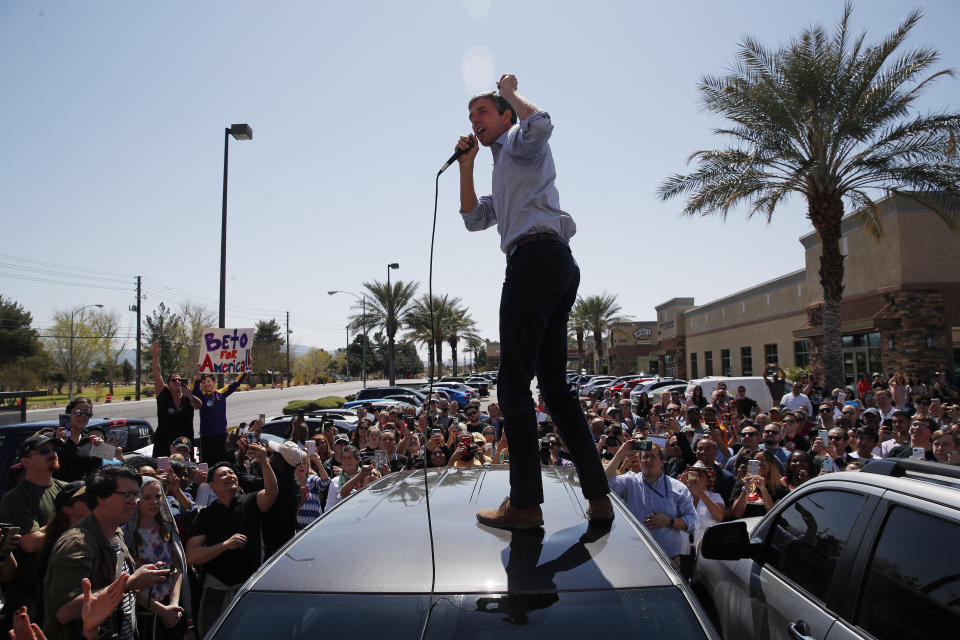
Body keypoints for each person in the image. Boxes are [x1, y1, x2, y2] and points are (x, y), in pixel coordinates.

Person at [456, 74, 611, 529]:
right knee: (556, 388)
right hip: (555, 264)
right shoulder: (500, 168)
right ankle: (599, 496)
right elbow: (473, 219)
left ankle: (525, 504)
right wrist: (465, 166)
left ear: (505, 116)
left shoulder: (522, 144)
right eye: (470, 116)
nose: (474, 121)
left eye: (483, 112)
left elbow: (541, 121)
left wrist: (508, 90)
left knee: (512, 384)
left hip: (535, 260)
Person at [43, 466, 170, 640]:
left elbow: (116, 578)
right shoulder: (78, 543)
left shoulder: (116, 534)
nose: (134, 501)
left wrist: (145, 574)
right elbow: (64, 611)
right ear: (101, 498)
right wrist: (129, 584)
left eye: (136, 494)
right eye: (126, 494)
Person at [186, 445, 277, 636]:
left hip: (246, 588)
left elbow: (271, 493)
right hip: (215, 589)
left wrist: (264, 463)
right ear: (211, 486)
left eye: (231, 473)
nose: (229, 476)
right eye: (223, 475)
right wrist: (224, 546)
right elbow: (192, 555)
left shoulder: (250, 502)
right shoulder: (206, 515)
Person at [0, 434, 68, 627]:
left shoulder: (65, 489)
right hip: (32, 593)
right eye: (44, 451)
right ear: (25, 461)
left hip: (63, 585)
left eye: (54, 450)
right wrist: (69, 519)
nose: (53, 454)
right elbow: (31, 543)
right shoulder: (16, 498)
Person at [604, 441, 697, 571]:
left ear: (662, 461)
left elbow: (693, 522)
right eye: (644, 457)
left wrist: (669, 521)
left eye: (652, 457)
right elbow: (605, 484)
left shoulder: (678, 488)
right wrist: (620, 454)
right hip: (635, 559)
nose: (648, 460)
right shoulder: (630, 481)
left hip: (669, 560)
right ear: (640, 461)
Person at [121, 477, 186, 640]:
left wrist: (173, 605)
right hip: (143, 614)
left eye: (158, 496)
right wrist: (161, 610)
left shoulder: (167, 527)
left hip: (170, 608)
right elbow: (128, 583)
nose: (154, 502)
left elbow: (177, 568)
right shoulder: (126, 535)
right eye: (147, 498)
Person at [150, 342, 200, 459]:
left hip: (184, 445)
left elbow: (199, 406)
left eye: (179, 380)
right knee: (163, 471)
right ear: (168, 384)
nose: (177, 382)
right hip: (163, 445)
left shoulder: (188, 397)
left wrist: (190, 395)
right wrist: (155, 357)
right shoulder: (163, 396)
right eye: (174, 380)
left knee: (184, 471)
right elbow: (157, 373)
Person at [192, 370, 247, 465]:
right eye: (203, 382)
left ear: (214, 382)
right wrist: (197, 377)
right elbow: (194, 392)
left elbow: (236, 383)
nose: (206, 384)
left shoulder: (221, 393)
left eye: (208, 381)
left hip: (222, 436)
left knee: (223, 463)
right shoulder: (201, 395)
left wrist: (245, 369)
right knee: (207, 464)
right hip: (207, 437)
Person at [729, 450, 787, 518]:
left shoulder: (779, 487)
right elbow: (737, 514)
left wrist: (763, 489)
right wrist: (746, 488)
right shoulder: (742, 483)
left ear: (772, 464)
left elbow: (773, 515)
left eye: (764, 460)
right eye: (756, 460)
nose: (760, 463)